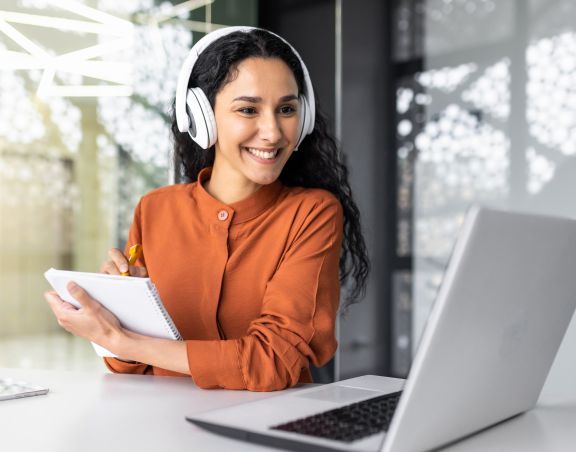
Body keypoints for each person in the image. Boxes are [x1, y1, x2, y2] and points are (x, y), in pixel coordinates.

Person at [44, 27, 369, 391]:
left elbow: (273, 362)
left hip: (263, 430)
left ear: (304, 117)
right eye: (248, 109)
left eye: (287, 109)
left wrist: (124, 340)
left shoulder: (312, 213)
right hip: (162, 429)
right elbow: (131, 369)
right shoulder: (154, 209)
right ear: (201, 117)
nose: (273, 132)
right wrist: (119, 315)